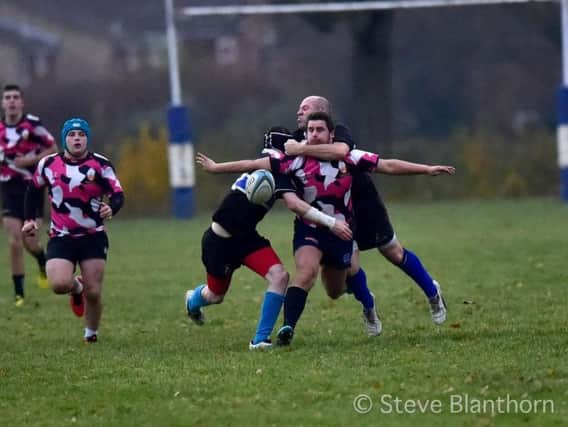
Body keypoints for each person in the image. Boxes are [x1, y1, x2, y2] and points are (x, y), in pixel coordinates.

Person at [197, 112, 455, 347]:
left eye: (320, 129)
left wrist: (426, 169)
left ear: (330, 134)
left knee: (334, 290)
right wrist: (217, 167)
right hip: (310, 229)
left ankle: (368, 303)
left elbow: (387, 165)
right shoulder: (293, 162)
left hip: (342, 230)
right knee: (305, 272)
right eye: (310, 130)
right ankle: (287, 328)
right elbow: (251, 164)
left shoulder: (348, 158)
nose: (314, 134)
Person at [283, 95, 450, 326]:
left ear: (323, 114)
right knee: (349, 267)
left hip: (363, 201)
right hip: (335, 212)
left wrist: (426, 169)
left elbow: (341, 152)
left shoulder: (336, 131)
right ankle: (368, 306)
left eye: (305, 108)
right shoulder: (298, 138)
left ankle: (432, 293)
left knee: (392, 251)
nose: (299, 112)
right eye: (299, 108)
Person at [189, 131, 352, 350]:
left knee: (280, 275)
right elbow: (294, 204)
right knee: (215, 295)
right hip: (219, 242)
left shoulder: (280, 170)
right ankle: (192, 300)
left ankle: (260, 340)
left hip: (247, 239)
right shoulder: (274, 170)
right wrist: (332, 223)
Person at [22, 118, 124, 343]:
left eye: (81, 134)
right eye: (71, 134)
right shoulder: (48, 164)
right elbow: (33, 190)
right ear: (64, 139)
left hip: (93, 236)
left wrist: (112, 207)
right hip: (61, 236)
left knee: (95, 292)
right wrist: (30, 219)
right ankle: (76, 288)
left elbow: (117, 193)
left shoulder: (101, 165)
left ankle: (91, 333)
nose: (76, 138)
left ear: (87, 138)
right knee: (59, 285)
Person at [0, 84, 57, 305]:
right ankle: (19, 293)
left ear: (22, 102)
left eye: (15, 97)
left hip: (31, 189)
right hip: (8, 189)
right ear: (3, 103)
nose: (12, 101)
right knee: (14, 241)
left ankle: (42, 260)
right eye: (8, 98)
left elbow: (52, 148)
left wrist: (29, 161)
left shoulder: (32, 124)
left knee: (30, 242)